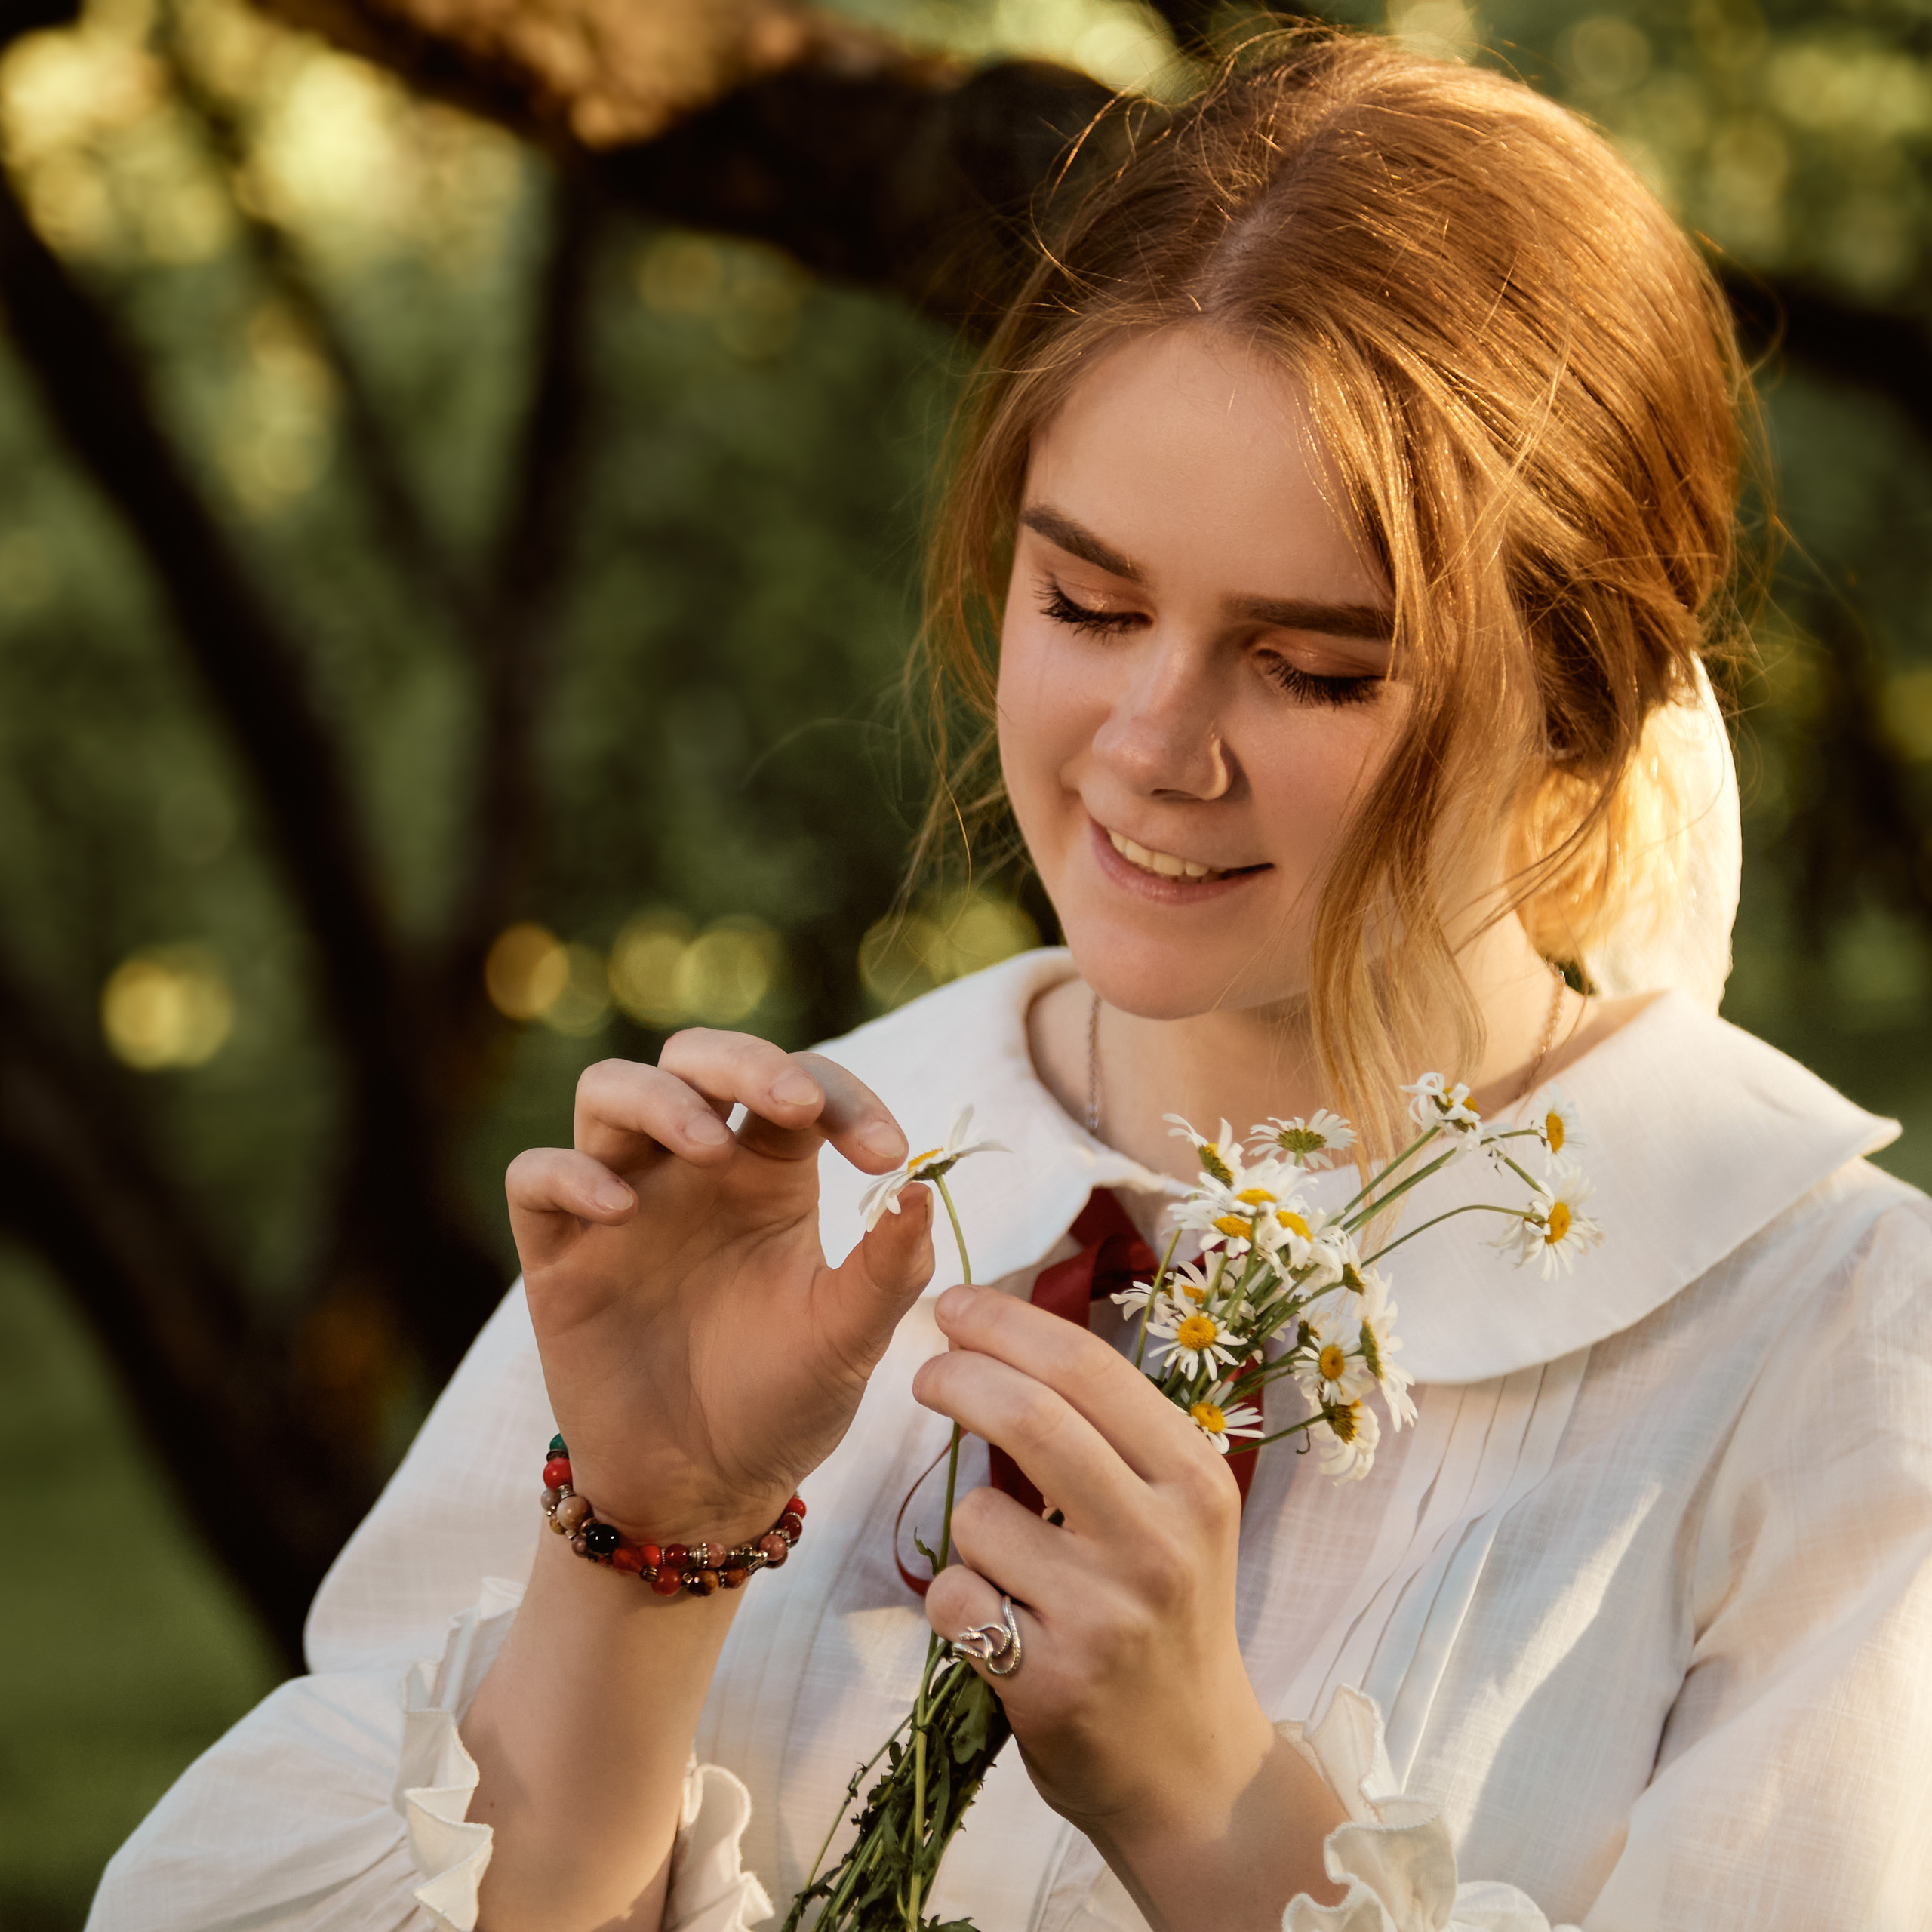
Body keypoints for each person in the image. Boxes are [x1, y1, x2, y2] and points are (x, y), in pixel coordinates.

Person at [91, 30, 1932, 1932]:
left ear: (1589, 702)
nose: (1151, 743)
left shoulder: (1837, 1361)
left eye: (1311, 666)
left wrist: (1212, 1810)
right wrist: (647, 1546)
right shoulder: (769, 1216)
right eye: (1090, 604)